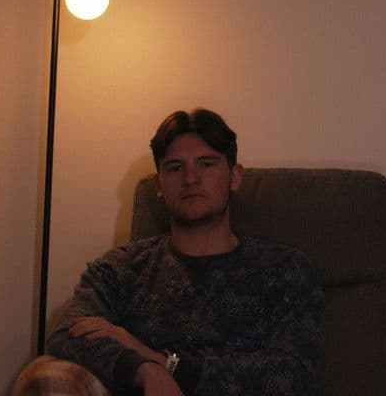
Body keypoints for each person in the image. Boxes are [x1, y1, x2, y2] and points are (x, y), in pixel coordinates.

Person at [39, 108, 323, 396]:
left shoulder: (284, 270)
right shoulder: (122, 269)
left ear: (235, 177)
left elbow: (293, 374)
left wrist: (168, 364)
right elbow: (66, 336)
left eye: (206, 164)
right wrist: (145, 371)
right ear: (159, 185)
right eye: (175, 168)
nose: (190, 179)